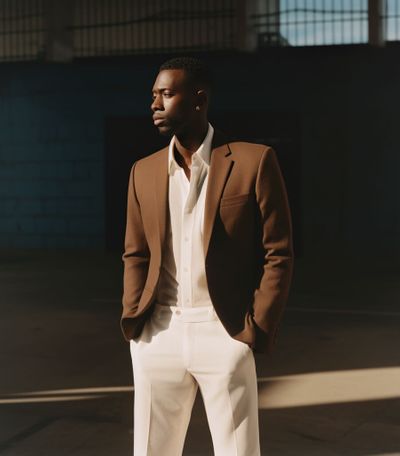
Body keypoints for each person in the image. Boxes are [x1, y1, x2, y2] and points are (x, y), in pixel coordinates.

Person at [121, 56, 293, 456]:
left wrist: (253, 331)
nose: (155, 104)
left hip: (225, 331)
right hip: (157, 334)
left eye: (166, 94)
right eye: (153, 95)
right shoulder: (142, 172)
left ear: (198, 100)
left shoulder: (253, 161)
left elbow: (278, 253)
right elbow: (136, 253)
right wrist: (136, 325)